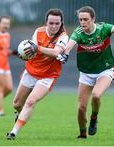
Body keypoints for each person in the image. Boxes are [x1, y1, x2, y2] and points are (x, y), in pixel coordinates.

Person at [57, 6, 114, 138]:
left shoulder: (103, 28)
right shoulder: (78, 33)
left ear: (93, 19)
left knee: (96, 95)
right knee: (80, 108)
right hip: (86, 72)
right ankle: (82, 134)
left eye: (86, 19)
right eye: (80, 19)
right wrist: (65, 53)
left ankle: (94, 117)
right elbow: (70, 45)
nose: (83, 22)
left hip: (105, 69)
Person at [6, 8, 68, 140]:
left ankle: (13, 132)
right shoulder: (39, 32)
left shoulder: (63, 36)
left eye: (57, 23)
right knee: (17, 104)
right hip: (31, 71)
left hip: (48, 76)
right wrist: (25, 64)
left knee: (30, 101)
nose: (54, 26)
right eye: (51, 23)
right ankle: (19, 114)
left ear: (61, 23)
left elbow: (56, 52)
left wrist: (37, 48)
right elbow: (31, 52)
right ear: (46, 22)